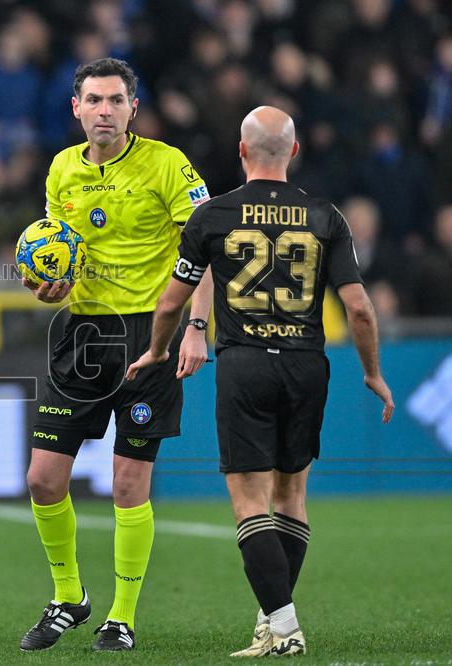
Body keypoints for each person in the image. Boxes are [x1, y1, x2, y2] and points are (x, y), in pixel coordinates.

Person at [126, 106, 395, 657]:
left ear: (242, 151)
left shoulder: (213, 215)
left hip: (245, 364)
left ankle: (284, 626)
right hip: (306, 365)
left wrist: (157, 350)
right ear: (293, 151)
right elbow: (360, 309)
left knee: (249, 500)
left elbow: (171, 303)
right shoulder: (326, 216)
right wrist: (372, 372)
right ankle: (271, 623)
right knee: (291, 495)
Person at [20, 57, 214, 653]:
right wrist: (49, 284)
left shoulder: (167, 163)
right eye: (94, 100)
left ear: (134, 108)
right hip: (82, 336)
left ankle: (120, 616)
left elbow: (205, 248)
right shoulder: (61, 169)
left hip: (150, 336)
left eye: (116, 100)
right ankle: (69, 597)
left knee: (129, 484)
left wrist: (196, 327)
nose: (105, 110)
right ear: (75, 108)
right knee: (42, 479)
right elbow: (61, 254)